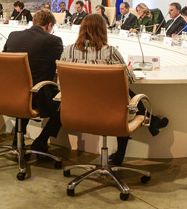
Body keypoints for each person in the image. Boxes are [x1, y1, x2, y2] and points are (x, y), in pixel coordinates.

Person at [60, 14, 169, 166]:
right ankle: (146, 128)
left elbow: (61, 83)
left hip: (76, 111)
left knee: (120, 96)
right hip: (109, 112)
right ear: (103, 30)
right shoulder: (110, 52)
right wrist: (129, 70)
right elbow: (128, 80)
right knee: (122, 98)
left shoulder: (67, 51)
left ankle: (152, 123)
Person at [3, 10, 63, 152]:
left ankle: (17, 140)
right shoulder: (53, 41)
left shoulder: (13, 35)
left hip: (10, 94)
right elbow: (61, 65)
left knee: (25, 88)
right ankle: (41, 141)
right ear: (49, 25)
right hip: (36, 96)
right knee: (67, 102)